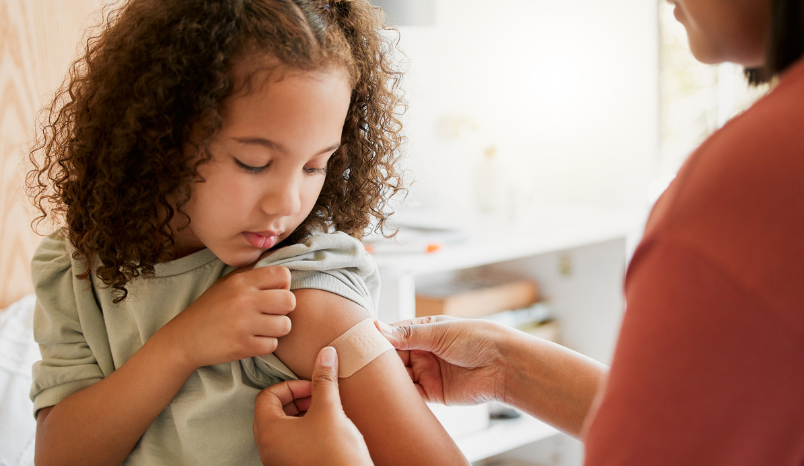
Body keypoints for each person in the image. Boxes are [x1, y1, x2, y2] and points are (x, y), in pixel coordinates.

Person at [255, 0, 804, 464]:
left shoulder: (746, 185)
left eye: (314, 166)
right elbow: (704, 434)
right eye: (254, 160)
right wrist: (507, 367)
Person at [25, 1, 469, 465]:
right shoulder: (76, 268)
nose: (288, 202)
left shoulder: (298, 294)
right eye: (254, 163)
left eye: (316, 166)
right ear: (162, 136)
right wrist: (180, 346)